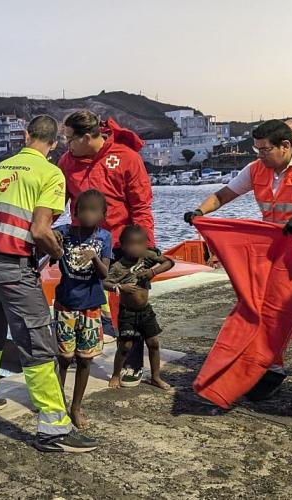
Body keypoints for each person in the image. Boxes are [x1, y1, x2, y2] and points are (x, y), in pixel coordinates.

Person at [184, 119, 292, 393]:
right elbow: (225, 193)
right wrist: (201, 212)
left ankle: (272, 369)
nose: (259, 155)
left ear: (285, 146)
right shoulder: (257, 169)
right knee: (271, 306)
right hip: (277, 246)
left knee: (269, 306)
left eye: (264, 149)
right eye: (257, 149)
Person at [0, 114, 97, 453]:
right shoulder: (51, 173)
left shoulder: (0, 169)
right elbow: (38, 230)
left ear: (25, 136)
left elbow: (4, 217)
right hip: (14, 269)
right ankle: (53, 427)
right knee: (39, 343)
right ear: (55, 143)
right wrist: (58, 250)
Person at [58, 110, 155, 384]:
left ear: (87, 137)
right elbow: (58, 204)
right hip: (83, 244)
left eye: (70, 139)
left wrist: (145, 247)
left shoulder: (127, 158)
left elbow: (141, 206)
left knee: (127, 305)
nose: (67, 145)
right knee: (78, 299)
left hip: (120, 242)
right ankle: (78, 351)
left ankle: (132, 363)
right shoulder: (67, 162)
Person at [53, 189, 112, 429]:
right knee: (64, 358)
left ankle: (76, 407)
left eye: (93, 210)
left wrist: (94, 258)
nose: (87, 215)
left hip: (91, 305)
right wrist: (52, 236)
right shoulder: (65, 233)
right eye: (83, 210)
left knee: (85, 360)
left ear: (102, 214)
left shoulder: (105, 237)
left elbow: (105, 273)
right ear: (74, 212)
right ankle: (57, 404)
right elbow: (45, 236)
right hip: (66, 303)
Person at [105, 226, 175, 392]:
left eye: (139, 244)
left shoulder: (147, 257)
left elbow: (169, 262)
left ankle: (156, 377)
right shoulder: (118, 267)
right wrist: (120, 287)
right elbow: (105, 282)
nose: (135, 248)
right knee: (125, 346)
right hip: (127, 312)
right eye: (131, 244)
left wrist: (153, 271)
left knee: (153, 343)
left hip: (145, 311)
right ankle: (116, 374)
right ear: (122, 246)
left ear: (145, 245)